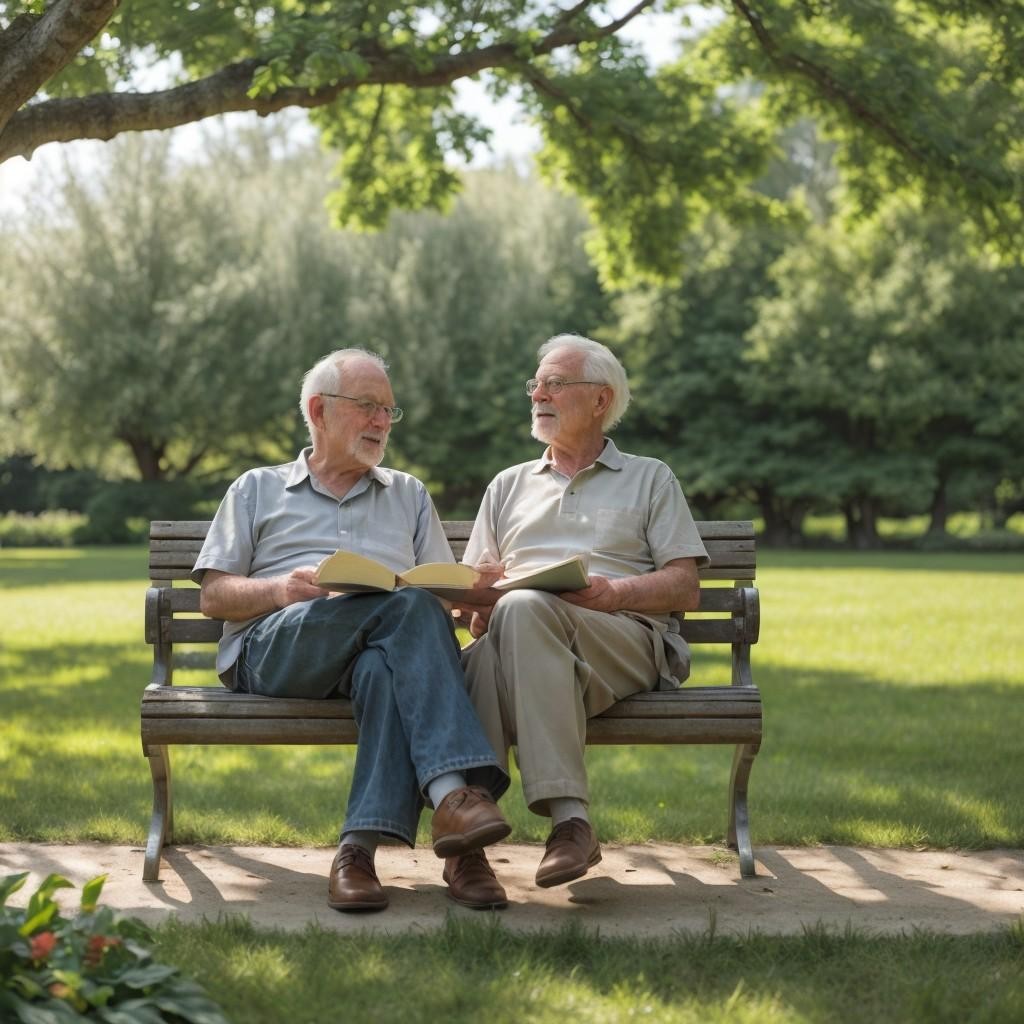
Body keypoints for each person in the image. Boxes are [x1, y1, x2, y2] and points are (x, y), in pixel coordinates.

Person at [192, 349, 510, 912]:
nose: (382, 422)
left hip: (380, 649)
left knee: (386, 661)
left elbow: (438, 590)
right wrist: (280, 591)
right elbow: (215, 596)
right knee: (408, 608)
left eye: (389, 410)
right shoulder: (256, 488)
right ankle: (457, 804)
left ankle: (357, 852)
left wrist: (480, 587)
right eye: (367, 407)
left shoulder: (407, 493)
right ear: (319, 410)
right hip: (276, 649)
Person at [457, 333, 710, 890]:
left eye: (555, 383)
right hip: (524, 640)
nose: (537, 395)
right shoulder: (507, 484)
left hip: (621, 638)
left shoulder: (650, 477)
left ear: (600, 400)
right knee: (495, 638)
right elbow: (480, 585)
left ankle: (518, 826)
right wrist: (474, 606)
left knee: (512, 622)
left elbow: (685, 586)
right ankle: (494, 840)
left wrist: (616, 593)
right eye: (535, 384)